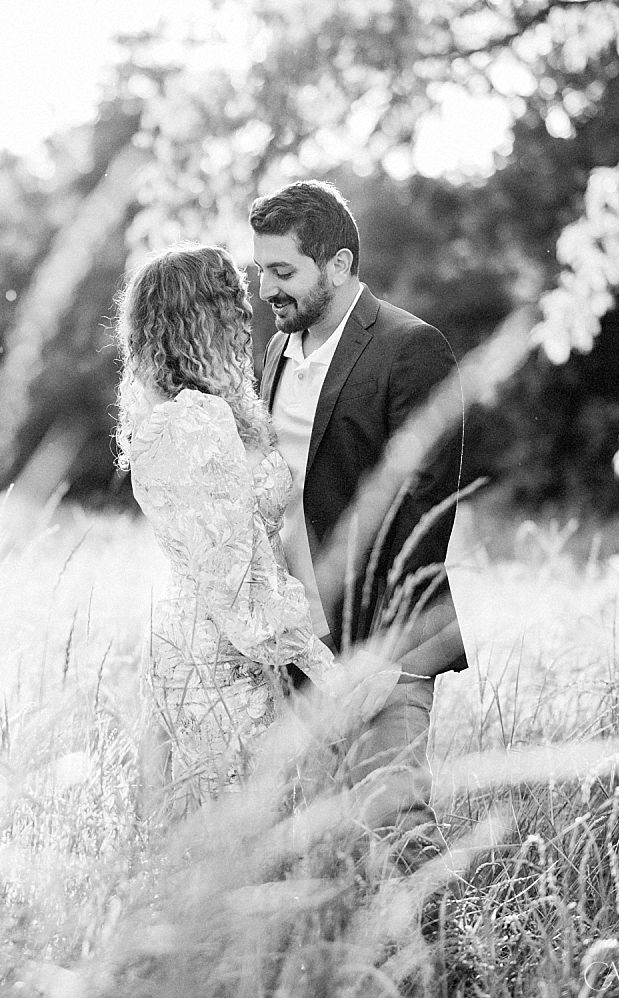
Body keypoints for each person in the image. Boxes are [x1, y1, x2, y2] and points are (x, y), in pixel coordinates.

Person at [114, 243, 380, 815]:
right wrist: (325, 669)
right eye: (232, 303)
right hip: (222, 656)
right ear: (201, 316)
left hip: (191, 638)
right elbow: (237, 582)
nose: (247, 314)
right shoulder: (196, 423)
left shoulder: (172, 412)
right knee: (250, 830)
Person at [251, 180, 468, 848]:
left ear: (339, 264)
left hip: (385, 639)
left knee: (397, 821)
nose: (266, 290)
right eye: (262, 271)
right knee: (320, 837)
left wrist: (384, 648)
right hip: (296, 643)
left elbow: (426, 509)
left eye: (283, 271)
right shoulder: (274, 356)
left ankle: (444, 951)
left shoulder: (412, 346)